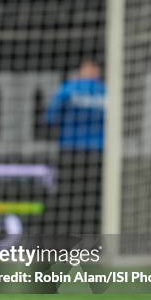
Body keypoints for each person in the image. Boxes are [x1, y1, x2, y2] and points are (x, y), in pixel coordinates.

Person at [44, 59, 106, 234]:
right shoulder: (107, 91)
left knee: (68, 195)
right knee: (94, 196)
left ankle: (65, 237)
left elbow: (50, 117)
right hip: (99, 151)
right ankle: (93, 238)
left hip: (71, 150)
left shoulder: (68, 89)